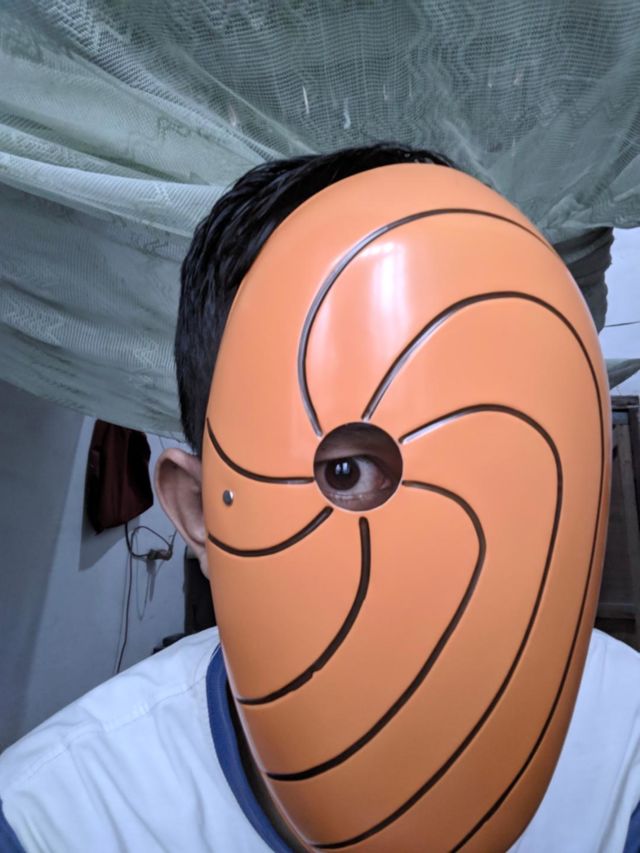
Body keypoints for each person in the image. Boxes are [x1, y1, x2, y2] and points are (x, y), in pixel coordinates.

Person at [1, 144, 640, 853]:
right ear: (201, 513)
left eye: (508, 470)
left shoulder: (626, 760)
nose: (454, 550)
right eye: (346, 472)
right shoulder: (58, 821)